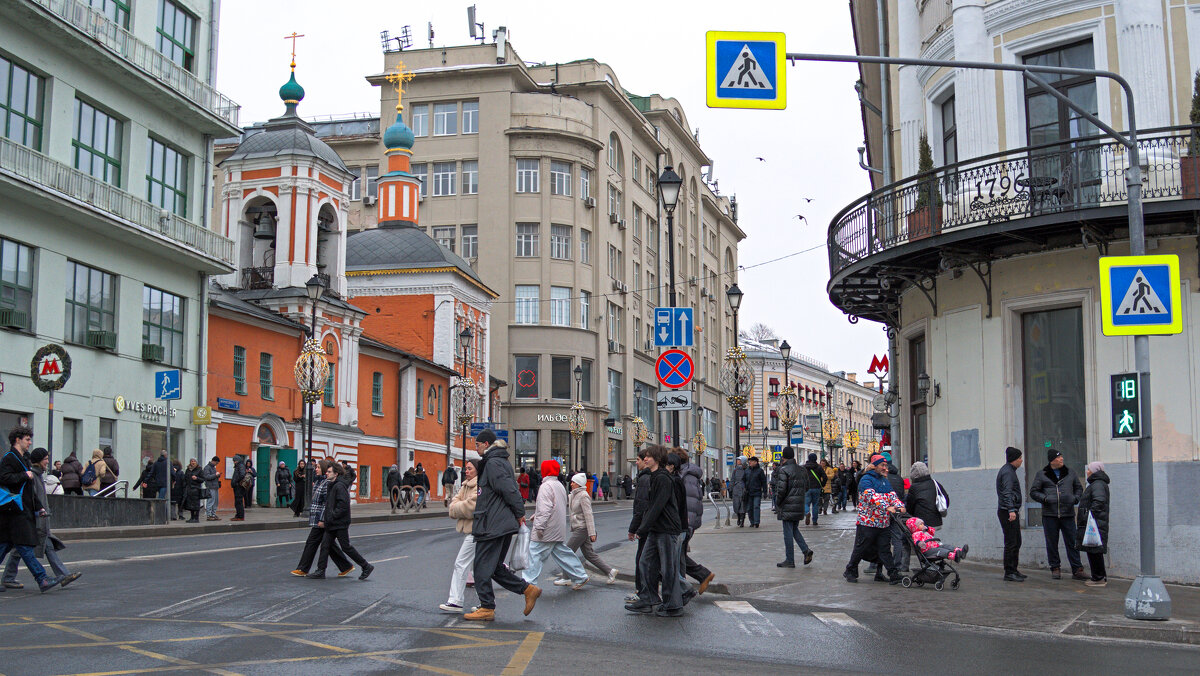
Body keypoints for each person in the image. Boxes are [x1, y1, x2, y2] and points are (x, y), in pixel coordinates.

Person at [465, 429, 540, 622]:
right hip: (498, 522)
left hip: (493, 523)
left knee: (481, 566)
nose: (476, 447)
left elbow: (508, 489)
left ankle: (487, 607)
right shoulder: (497, 461)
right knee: (495, 567)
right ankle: (528, 590)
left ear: (487, 443)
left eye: (478, 444)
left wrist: (520, 513)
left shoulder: (493, 463)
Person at [2, 446, 81, 591]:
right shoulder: (31, 475)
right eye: (46, 459)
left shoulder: (37, 476)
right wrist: (39, 512)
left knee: (24, 547)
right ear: (39, 461)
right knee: (20, 548)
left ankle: (59, 576)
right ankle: (46, 578)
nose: (47, 462)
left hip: (35, 518)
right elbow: (32, 498)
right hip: (30, 519)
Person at [624, 444, 684, 617]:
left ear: (657, 459)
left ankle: (673, 605)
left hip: (666, 529)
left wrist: (641, 529)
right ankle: (648, 598)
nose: (645, 459)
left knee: (668, 569)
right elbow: (650, 506)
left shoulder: (663, 478)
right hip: (656, 529)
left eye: (648, 456)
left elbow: (657, 506)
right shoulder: (654, 476)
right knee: (645, 562)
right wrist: (642, 528)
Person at [0, 427, 62, 592]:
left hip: (21, 510)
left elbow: (29, 488)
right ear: (18, 440)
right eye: (27, 439)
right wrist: (23, 476)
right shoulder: (9, 458)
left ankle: (42, 579)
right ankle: (42, 579)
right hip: (13, 511)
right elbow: (3, 478)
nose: (29, 443)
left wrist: (39, 507)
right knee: (24, 546)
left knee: (5, 545)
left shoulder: (24, 459)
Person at [522, 459, 588, 589]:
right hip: (557, 527)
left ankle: (528, 583)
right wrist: (538, 516)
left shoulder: (546, 486)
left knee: (534, 553)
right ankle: (580, 575)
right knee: (563, 553)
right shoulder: (559, 485)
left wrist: (540, 526)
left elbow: (545, 508)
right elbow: (555, 506)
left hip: (547, 528)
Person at [844, 454, 905, 584]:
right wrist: (887, 506)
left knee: (884, 549)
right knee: (860, 548)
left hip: (883, 522)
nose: (885, 468)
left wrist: (900, 506)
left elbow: (892, 496)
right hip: (868, 522)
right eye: (882, 465)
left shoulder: (884, 480)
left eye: (886, 466)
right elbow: (870, 497)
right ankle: (850, 570)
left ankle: (891, 573)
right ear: (874, 466)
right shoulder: (866, 479)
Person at [1029, 449, 1086, 581]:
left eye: (1061, 457)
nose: (1061, 459)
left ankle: (1077, 569)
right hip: (1050, 514)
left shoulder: (1070, 473)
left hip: (1068, 514)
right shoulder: (1042, 474)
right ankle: (1055, 567)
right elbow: (1034, 492)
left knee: (1072, 541)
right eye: (1059, 457)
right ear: (1052, 460)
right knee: (1051, 542)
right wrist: (1045, 498)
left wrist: (1075, 498)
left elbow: (1079, 488)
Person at [308, 462, 372, 580]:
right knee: (325, 545)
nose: (326, 473)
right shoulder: (331, 485)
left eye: (329, 472)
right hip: (331, 523)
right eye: (326, 471)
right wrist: (326, 519)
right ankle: (320, 570)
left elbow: (342, 506)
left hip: (340, 523)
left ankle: (366, 566)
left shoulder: (340, 486)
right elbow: (329, 505)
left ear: (336, 474)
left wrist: (331, 517)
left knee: (346, 547)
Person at [291, 460, 352, 578]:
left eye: (318, 467)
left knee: (312, 542)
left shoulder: (326, 484)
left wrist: (323, 519)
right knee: (328, 545)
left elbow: (327, 503)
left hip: (322, 519)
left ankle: (303, 568)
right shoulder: (320, 482)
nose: (316, 469)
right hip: (318, 518)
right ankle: (345, 566)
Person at [558, 472, 618, 586]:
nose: (571, 484)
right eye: (571, 482)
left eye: (573, 482)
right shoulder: (573, 495)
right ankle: (610, 571)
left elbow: (589, 515)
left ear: (579, 484)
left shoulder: (583, 495)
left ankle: (567, 577)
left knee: (567, 551)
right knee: (589, 554)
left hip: (582, 528)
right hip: (579, 528)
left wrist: (592, 532)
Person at [440, 459, 480, 613]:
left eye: (470, 469)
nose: (466, 471)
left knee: (461, 564)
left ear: (477, 470)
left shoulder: (479, 485)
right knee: (479, 568)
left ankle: (456, 601)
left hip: (475, 531)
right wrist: (457, 507)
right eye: (466, 469)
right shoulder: (465, 485)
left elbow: (471, 507)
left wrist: (457, 507)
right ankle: (486, 602)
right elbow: (454, 503)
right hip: (470, 530)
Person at [676, 453, 715, 594]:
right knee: (679, 555)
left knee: (677, 556)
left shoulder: (685, 477)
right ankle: (701, 576)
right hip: (688, 521)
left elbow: (687, 502)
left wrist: (686, 524)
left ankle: (683, 588)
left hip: (685, 522)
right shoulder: (691, 476)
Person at [772, 447, 814, 568]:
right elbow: (807, 487)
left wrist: (778, 503)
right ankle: (806, 550)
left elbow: (781, 490)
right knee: (794, 529)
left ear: (783, 457)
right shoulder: (802, 470)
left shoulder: (783, 470)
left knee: (788, 534)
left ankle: (790, 559)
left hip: (787, 505)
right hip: (799, 504)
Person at [1076, 462, 1110, 587]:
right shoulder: (1097, 483)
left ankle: (1099, 578)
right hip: (1095, 522)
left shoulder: (1097, 484)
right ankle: (1098, 577)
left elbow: (1099, 500)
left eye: (1089, 469)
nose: (1087, 471)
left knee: (1095, 550)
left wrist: (1088, 515)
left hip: (1095, 523)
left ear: (1095, 471)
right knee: (1093, 550)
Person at [625, 449, 653, 604]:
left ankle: (642, 592)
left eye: (638, 459)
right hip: (649, 524)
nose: (636, 462)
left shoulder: (644, 479)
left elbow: (641, 505)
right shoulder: (650, 477)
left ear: (645, 460)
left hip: (645, 525)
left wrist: (634, 528)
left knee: (641, 559)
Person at [997, 447, 1026, 581]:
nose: (1021, 460)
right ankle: (1009, 572)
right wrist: (1011, 510)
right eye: (1020, 458)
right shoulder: (1008, 473)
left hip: (1009, 510)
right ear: (1014, 459)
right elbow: (1007, 492)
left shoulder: (1009, 471)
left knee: (1016, 541)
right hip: (1007, 511)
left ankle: (1013, 569)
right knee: (1011, 542)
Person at [905, 462, 945, 530]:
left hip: (921, 523)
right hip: (937, 522)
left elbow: (909, 507)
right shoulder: (935, 483)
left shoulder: (914, 487)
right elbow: (946, 498)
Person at [800, 453, 826, 526]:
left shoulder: (804, 467)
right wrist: (822, 484)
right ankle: (815, 521)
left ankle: (807, 512)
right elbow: (825, 477)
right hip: (817, 488)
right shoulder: (819, 467)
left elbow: (800, 478)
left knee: (805, 503)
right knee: (815, 504)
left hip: (806, 488)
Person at [743, 456, 766, 528]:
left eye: (751, 461)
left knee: (756, 506)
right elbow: (743, 481)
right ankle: (752, 522)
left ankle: (756, 522)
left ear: (756, 462)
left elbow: (764, 482)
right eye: (749, 461)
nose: (750, 462)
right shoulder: (747, 471)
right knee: (749, 508)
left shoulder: (760, 471)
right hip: (748, 492)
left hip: (757, 492)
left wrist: (765, 492)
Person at [201, 456, 222, 521]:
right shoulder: (207, 468)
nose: (216, 464)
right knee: (210, 501)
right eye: (217, 463)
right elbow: (207, 477)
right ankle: (209, 515)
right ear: (214, 461)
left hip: (215, 486)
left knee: (215, 501)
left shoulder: (213, 468)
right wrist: (215, 475)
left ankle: (213, 514)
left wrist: (218, 475)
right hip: (210, 487)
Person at [731, 457, 747, 527]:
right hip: (736, 489)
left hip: (743, 489)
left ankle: (742, 520)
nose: (737, 461)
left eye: (739, 460)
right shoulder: (735, 470)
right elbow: (732, 479)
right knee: (736, 504)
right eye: (737, 460)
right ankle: (738, 517)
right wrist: (730, 489)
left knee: (742, 505)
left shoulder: (746, 470)